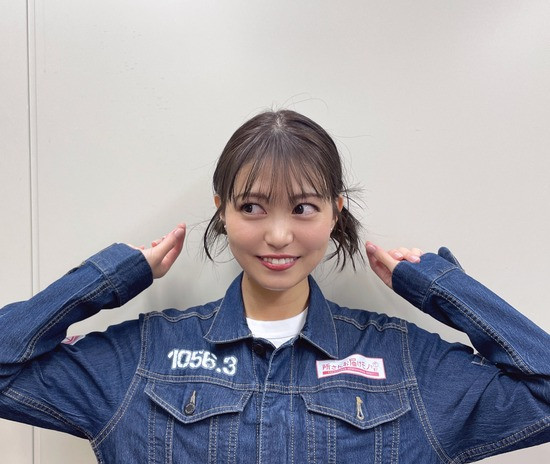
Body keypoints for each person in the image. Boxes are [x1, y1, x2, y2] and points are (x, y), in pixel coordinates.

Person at [0, 110, 548, 463]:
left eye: (303, 208)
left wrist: (439, 286)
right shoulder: (145, 355)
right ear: (222, 211)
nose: (279, 235)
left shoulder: (405, 361)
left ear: (335, 212)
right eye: (253, 207)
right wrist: (114, 275)